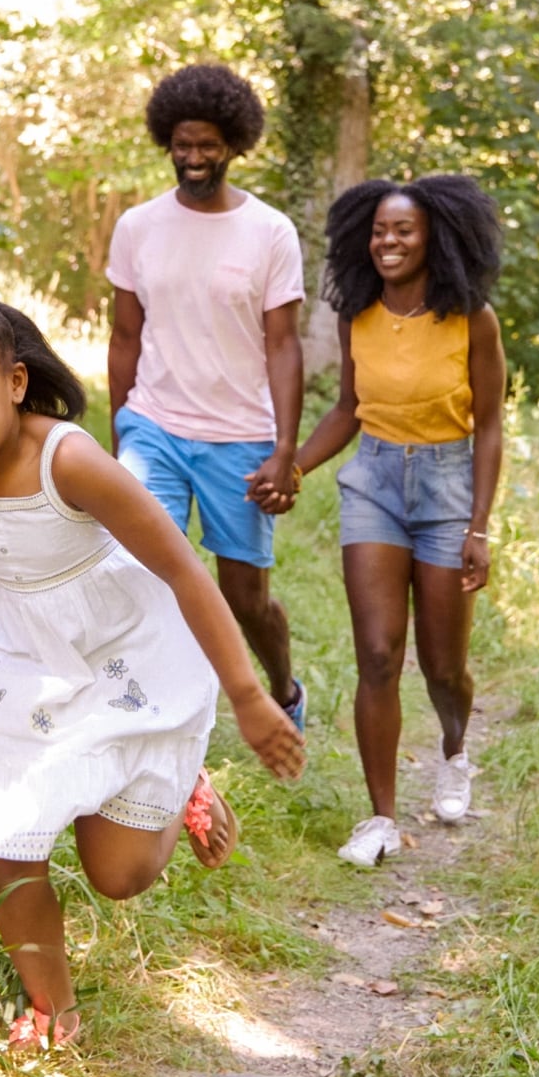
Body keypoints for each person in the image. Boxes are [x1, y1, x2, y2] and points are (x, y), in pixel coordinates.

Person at [0, 255, 305, 1051]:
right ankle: (53, 1008)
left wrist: (250, 697)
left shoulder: (66, 459)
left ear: (13, 381)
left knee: (119, 876)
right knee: (6, 833)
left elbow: (182, 569)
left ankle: (180, 783)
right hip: (22, 657)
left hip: (123, 650)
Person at [294, 176, 505, 867]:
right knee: (379, 654)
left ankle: (454, 750)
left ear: (434, 237)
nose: (387, 242)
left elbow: (491, 426)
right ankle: (380, 817)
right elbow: (347, 410)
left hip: (447, 489)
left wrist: (479, 527)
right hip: (375, 486)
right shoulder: (359, 315)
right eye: (379, 231)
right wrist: (293, 466)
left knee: (445, 668)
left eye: (403, 231)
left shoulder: (473, 318)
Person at [107, 63, 308, 732]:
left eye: (207, 146)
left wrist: (285, 448)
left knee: (246, 599)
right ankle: (157, 721)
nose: (193, 159)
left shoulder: (270, 232)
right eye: (182, 145)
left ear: (234, 143)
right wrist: (119, 436)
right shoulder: (138, 227)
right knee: (145, 577)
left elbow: (283, 344)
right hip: (154, 426)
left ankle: (282, 691)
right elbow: (124, 334)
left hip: (240, 436)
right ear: (167, 141)